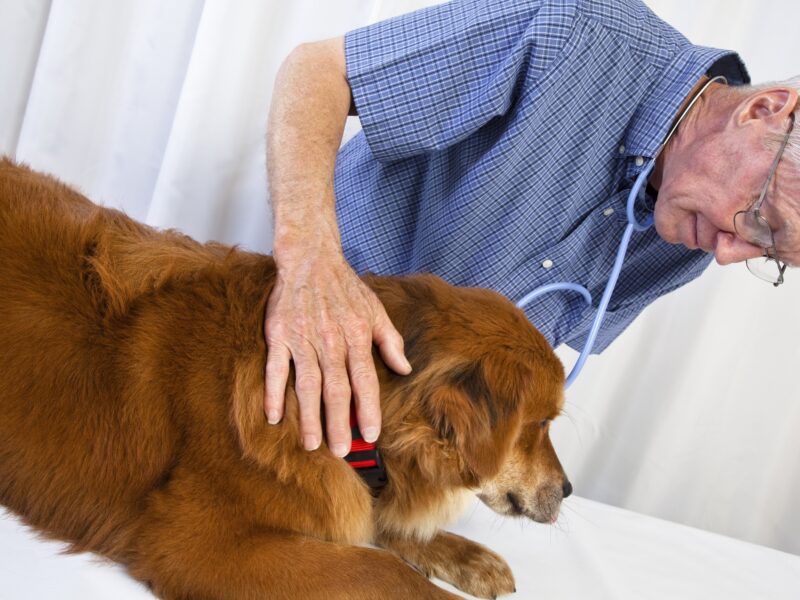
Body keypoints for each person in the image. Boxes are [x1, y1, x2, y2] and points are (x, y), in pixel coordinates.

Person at [264, 0, 799, 458]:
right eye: (760, 217)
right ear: (764, 110)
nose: (731, 255)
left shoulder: (691, 236)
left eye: (771, 254)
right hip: (291, 339)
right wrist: (309, 261)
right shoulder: (574, 28)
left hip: (391, 429)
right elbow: (317, 71)